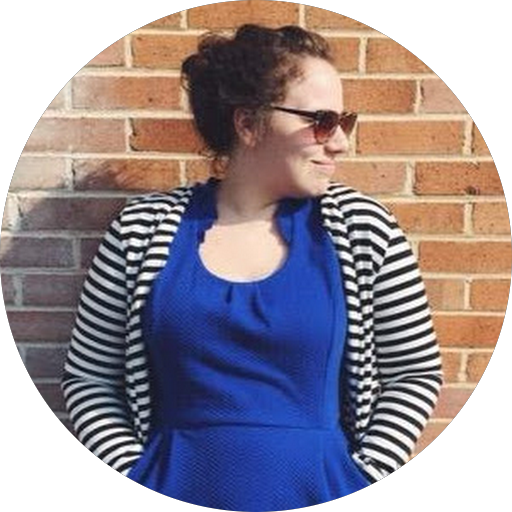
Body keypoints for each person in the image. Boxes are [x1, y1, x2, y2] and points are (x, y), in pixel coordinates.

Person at [61, 24, 443, 510]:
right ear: (248, 123)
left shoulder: (362, 230)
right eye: (322, 121)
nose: (340, 142)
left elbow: (415, 372)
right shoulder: (142, 230)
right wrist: (135, 471)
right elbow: (89, 378)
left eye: (344, 121)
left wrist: (361, 475)